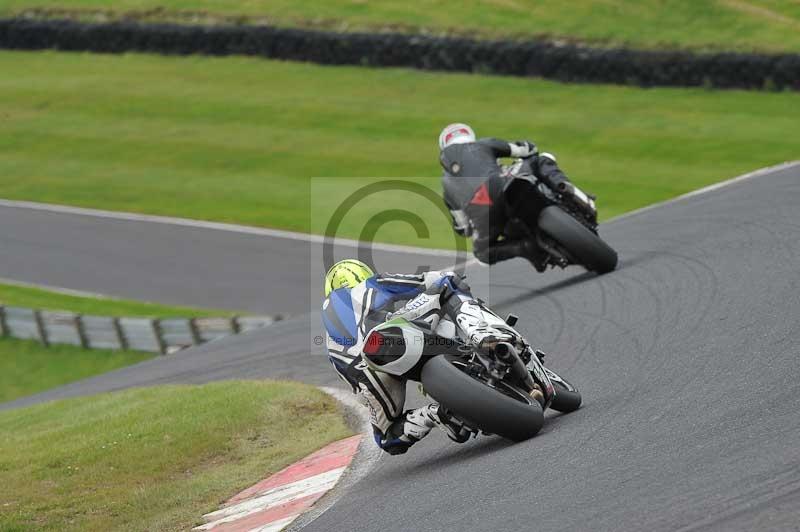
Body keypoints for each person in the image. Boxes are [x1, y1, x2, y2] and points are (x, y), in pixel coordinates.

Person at [321, 259, 524, 455]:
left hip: (367, 371)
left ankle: (438, 415)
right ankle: (482, 334)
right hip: (391, 333)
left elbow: (357, 390)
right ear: (361, 274)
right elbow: (425, 281)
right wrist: (443, 279)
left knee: (386, 438)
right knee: (448, 284)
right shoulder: (370, 284)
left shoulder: (331, 343)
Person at [438, 122, 594, 270]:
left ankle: (524, 247)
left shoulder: (446, 186)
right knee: (542, 159)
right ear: (470, 136)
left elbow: (463, 229)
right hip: (502, 182)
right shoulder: (483, 144)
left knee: (481, 254)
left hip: (484, 215)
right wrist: (528, 147)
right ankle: (569, 191)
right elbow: (526, 150)